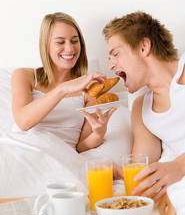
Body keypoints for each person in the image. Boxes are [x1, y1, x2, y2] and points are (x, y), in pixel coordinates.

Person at [103, 11, 185, 200]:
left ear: (143, 47)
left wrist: (179, 166)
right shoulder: (141, 107)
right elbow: (141, 167)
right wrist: (119, 172)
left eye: (115, 54)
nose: (111, 66)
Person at [11, 12, 116, 153]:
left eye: (74, 41)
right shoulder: (25, 76)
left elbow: (79, 147)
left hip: (59, 159)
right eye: (60, 42)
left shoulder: (90, 89)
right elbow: (23, 122)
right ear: (46, 45)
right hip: (20, 151)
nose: (70, 49)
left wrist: (98, 134)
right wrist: (63, 89)